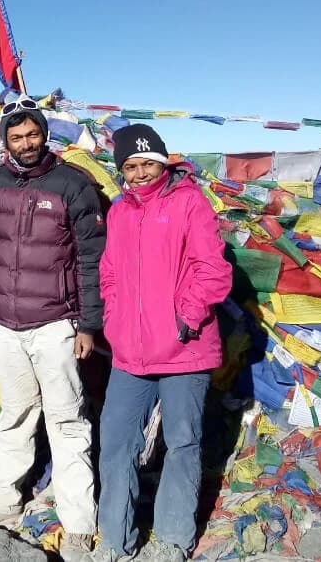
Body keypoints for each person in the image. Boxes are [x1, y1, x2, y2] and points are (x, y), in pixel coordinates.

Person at [0, 96, 104, 562]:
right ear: (6, 141)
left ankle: (80, 521)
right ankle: (3, 499)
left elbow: (90, 260)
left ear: (45, 135)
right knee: (16, 413)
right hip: (2, 323)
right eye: (16, 137)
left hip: (56, 324)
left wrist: (88, 324)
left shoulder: (71, 185)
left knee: (66, 419)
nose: (25, 144)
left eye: (33, 135)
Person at [92, 124, 233, 562]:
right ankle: (116, 540)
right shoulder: (119, 212)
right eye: (130, 166)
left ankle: (173, 538)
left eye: (147, 163)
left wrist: (185, 319)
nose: (139, 173)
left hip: (182, 349)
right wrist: (114, 319)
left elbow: (214, 269)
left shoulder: (190, 203)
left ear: (163, 161)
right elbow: (110, 272)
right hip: (130, 352)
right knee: (116, 442)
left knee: (182, 441)